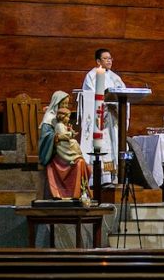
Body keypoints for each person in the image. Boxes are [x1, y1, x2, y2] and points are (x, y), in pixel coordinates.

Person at [81, 48, 126, 185]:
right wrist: (104, 104)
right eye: (106, 58)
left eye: (110, 58)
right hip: (99, 118)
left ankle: (112, 179)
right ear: (98, 61)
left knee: (113, 146)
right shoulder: (91, 76)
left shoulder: (116, 78)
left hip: (112, 118)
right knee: (101, 146)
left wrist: (117, 106)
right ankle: (98, 180)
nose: (109, 61)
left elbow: (124, 94)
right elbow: (89, 96)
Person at [38, 90, 90, 199]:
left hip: (64, 149)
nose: (66, 106)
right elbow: (45, 138)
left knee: (80, 162)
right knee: (78, 160)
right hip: (54, 152)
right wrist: (58, 137)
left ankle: (78, 194)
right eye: (63, 104)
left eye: (67, 104)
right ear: (57, 103)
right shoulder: (49, 118)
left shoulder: (61, 118)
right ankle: (64, 193)